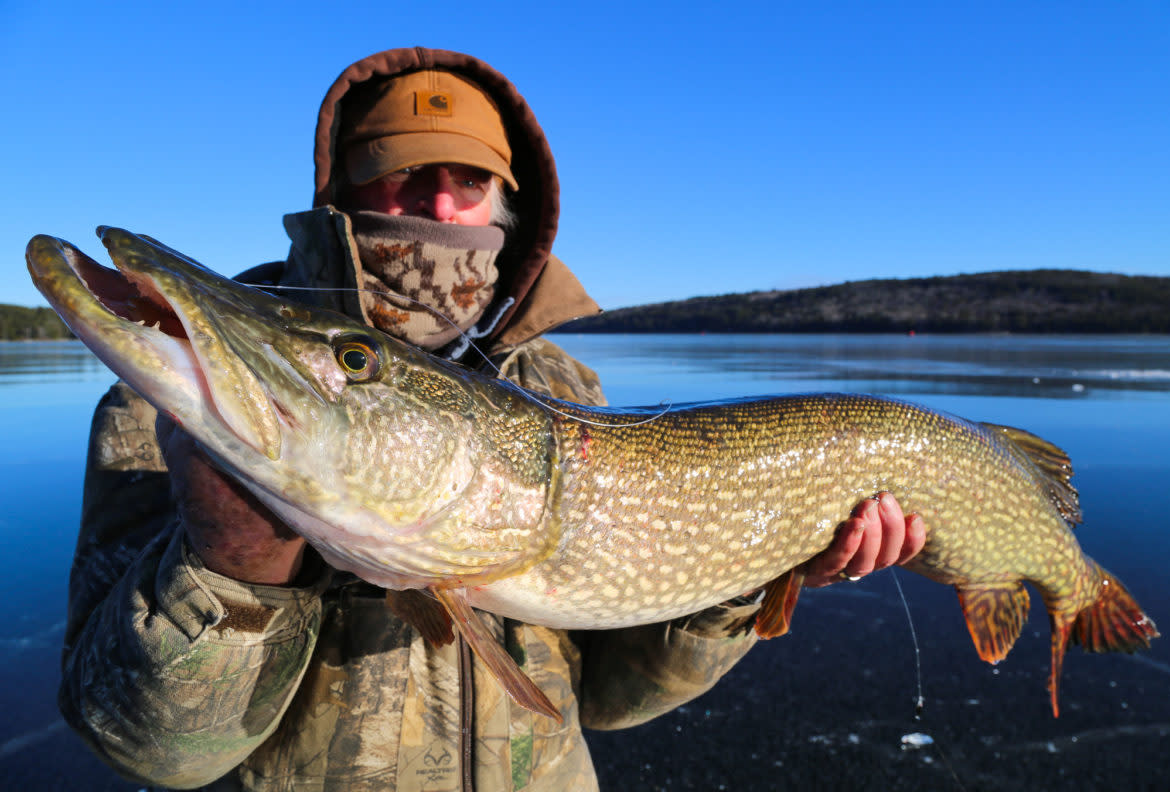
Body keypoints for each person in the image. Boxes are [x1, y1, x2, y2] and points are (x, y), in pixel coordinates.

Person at [58, 47, 926, 791]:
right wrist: (229, 564)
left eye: (468, 182)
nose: (441, 209)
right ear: (343, 188)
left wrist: (747, 574)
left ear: (504, 210)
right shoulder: (161, 408)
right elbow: (147, 747)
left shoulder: (562, 387)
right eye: (405, 172)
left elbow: (615, 697)